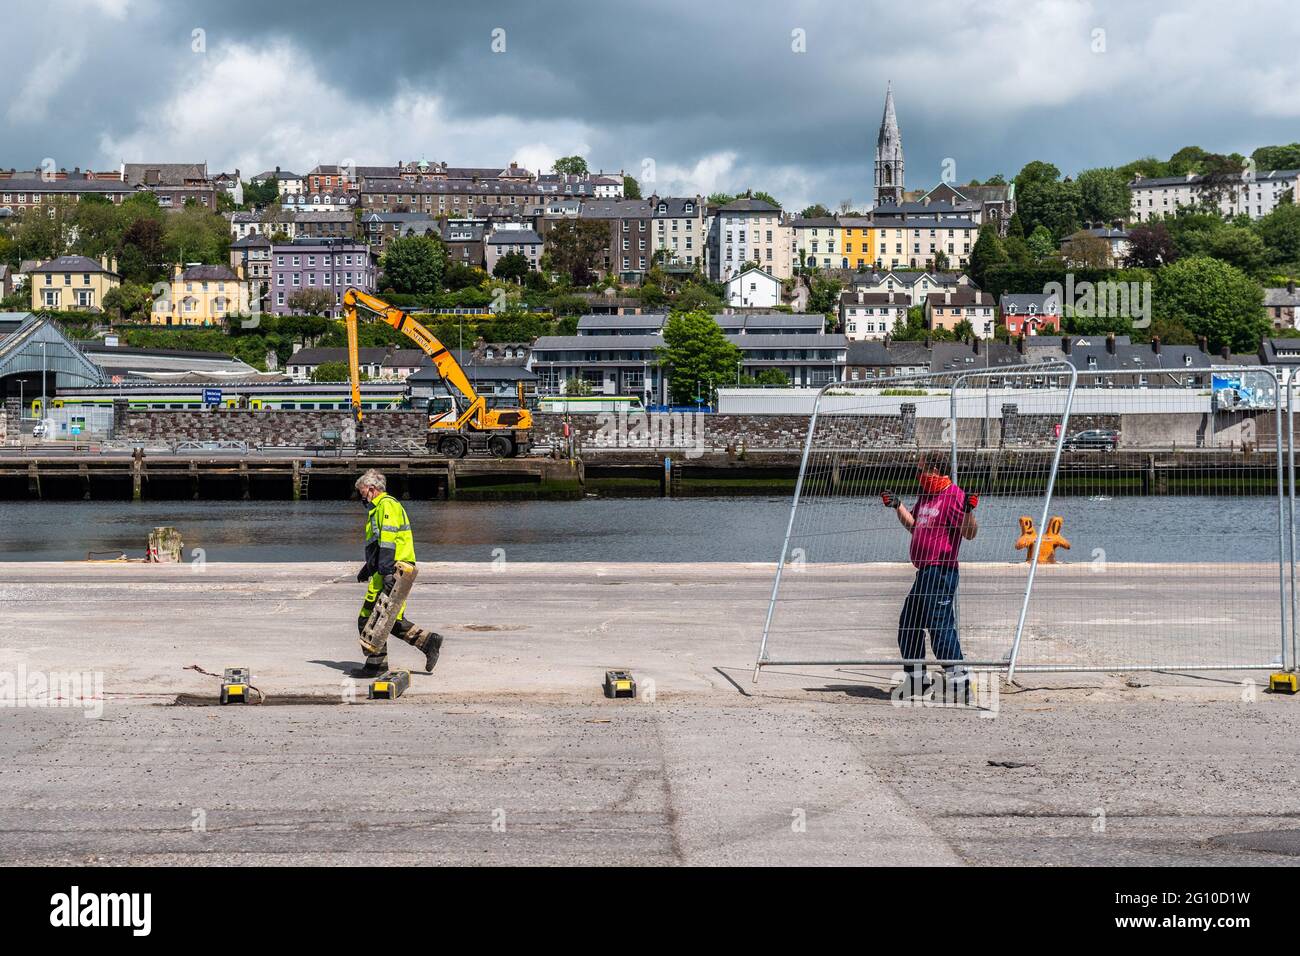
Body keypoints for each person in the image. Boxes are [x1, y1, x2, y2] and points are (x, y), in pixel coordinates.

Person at [882, 453, 978, 699]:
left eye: (922, 469)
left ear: (935, 470)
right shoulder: (927, 495)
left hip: (941, 571)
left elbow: (969, 533)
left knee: (940, 626)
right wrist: (898, 505)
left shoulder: (953, 495)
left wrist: (968, 510)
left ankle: (960, 684)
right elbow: (914, 526)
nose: (919, 474)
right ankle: (916, 680)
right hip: (924, 571)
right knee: (909, 623)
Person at [354, 469, 443, 677]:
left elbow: (388, 542)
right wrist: (368, 568)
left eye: (362, 491)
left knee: (378, 619)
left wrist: (386, 573)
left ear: (372, 489)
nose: (361, 496)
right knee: (381, 619)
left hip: (395, 570)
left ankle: (379, 663)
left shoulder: (387, 506)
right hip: (387, 570)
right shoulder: (377, 509)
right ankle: (426, 642)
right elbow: (379, 544)